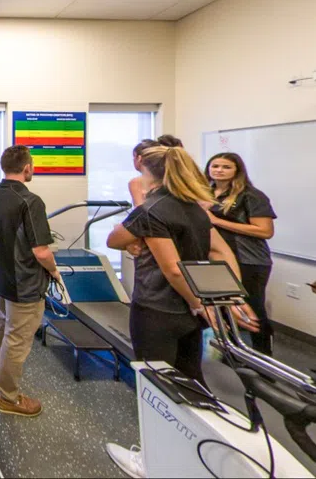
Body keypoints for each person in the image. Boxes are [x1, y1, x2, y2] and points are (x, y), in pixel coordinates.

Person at [104, 145, 259, 478]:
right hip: (189, 315)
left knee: (154, 385)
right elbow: (218, 252)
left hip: (158, 308)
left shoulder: (153, 209)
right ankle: (196, 448)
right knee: (191, 379)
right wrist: (226, 298)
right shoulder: (195, 210)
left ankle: (151, 461)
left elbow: (167, 267)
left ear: (147, 169)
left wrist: (197, 301)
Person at [0, 145, 60, 418]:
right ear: (27, 168)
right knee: (17, 337)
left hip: (0, 275)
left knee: (3, 322)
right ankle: (8, 396)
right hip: (23, 281)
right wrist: (55, 272)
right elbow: (41, 251)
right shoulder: (31, 201)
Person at [204, 152, 277, 355]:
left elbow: (265, 231)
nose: (219, 170)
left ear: (237, 170)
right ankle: (233, 355)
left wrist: (217, 221)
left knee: (253, 308)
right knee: (223, 309)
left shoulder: (251, 195)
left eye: (226, 167)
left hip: (249, 260)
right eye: (215, 165)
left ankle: (264, 357)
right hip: (216, 260)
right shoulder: (205, 194)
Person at [128, 135, 184, 207]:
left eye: (134, 156)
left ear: (139, 158)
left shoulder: (136, 183)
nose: (133, 160)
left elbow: (140, 212)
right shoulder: (176, 179)